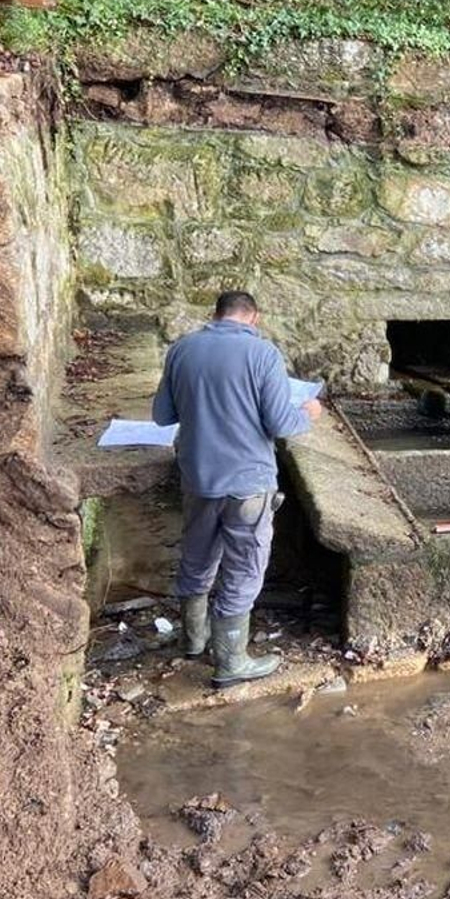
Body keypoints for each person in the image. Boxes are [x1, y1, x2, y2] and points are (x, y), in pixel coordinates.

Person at [151, 290, 322, 688]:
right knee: (244, 569)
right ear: (254, 317)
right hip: (248, 484)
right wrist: (307, 413)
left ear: (217, 315)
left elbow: (162, 415)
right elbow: (281, 424)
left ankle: (193, 640)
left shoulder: (183, 349)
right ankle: (230, 663)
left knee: (197, 558)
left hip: (198, 479)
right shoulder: (263, 355)